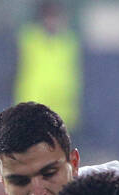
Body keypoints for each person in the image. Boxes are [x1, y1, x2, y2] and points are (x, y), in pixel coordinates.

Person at [14, 1, 80, 130]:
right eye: (49, 16)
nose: (52, 21)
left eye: (56, 16)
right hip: (34, 99)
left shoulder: (69, 40)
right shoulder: (29, 38)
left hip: (62, 102)